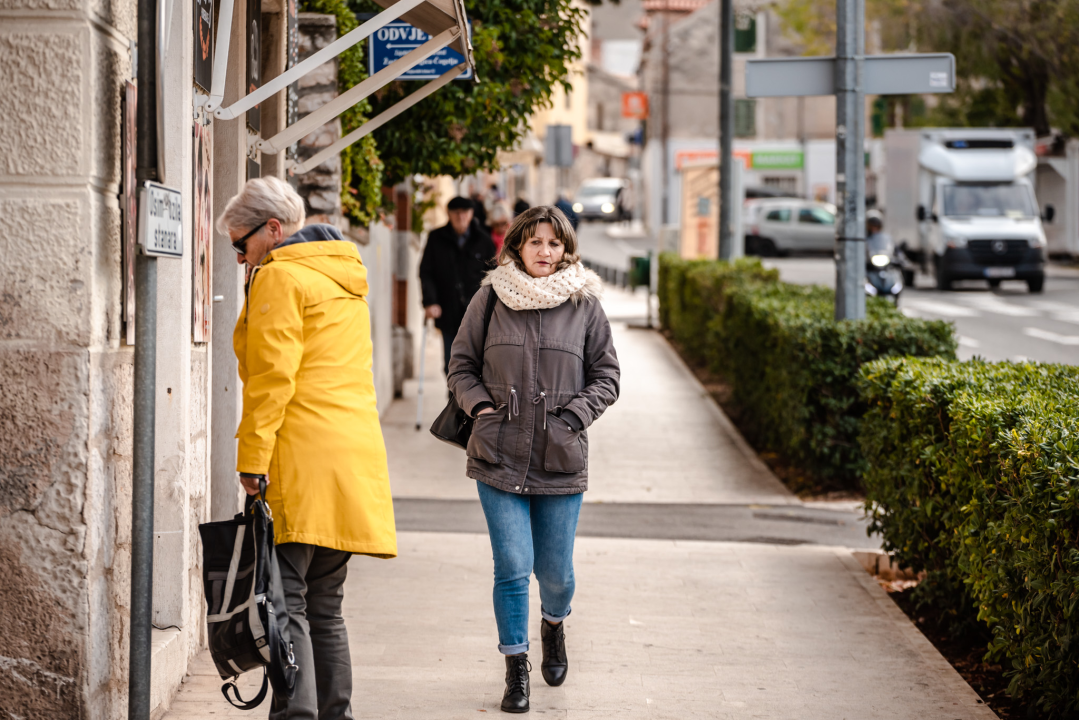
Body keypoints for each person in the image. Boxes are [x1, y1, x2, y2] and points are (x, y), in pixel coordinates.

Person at [217, 176, 397, 720]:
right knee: (326, 606)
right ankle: (334, 714)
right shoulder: (343, 278)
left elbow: (273, 380)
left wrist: (251, 460)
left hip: (300, 456)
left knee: (285, 598)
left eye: (240, 244)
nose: (240, 257)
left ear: (272, 231)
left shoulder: (281, 278)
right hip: (350, 458)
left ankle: (296, 716)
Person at [447, 206, 620, 714]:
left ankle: (554, 623)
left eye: (554, 244)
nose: (545, 252)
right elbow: (460, 365)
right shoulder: (490, 297)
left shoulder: (585, 305)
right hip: (496, 455)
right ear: (517, 246)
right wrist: (480, 407)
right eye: (536, 242)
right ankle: (515, 668)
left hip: (560, 458)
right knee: (512, 567)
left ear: (567, 250)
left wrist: (571, 419)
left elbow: (607, 377)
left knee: (556, 573)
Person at [419, 196, 497, 373]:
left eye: (465, 212)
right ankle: (454, 398)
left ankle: (470, 399)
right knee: (451, 360)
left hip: (477, 311)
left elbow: (494, 275)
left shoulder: (483, 240)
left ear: (471, 214)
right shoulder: (436, 238)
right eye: (456, 213)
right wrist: (430, 301)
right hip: (448, 310)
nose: (460, 216)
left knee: (477, 361)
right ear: (449, 214)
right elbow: (426, 271)